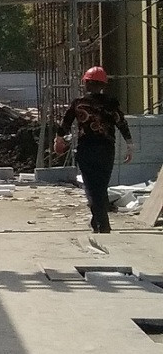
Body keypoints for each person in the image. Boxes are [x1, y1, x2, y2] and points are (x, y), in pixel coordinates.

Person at [53, 65, 133, 234]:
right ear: (103, 85)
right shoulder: (111, 104)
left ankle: (102, 224)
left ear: (86, 84)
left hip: (86, 149)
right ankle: (97, 222)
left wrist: (58, 140)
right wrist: (130, 145)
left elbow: (65, 124)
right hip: (106, 149)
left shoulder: (79, 103)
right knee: (101, 187)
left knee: (91, 187)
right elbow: (122, 123)